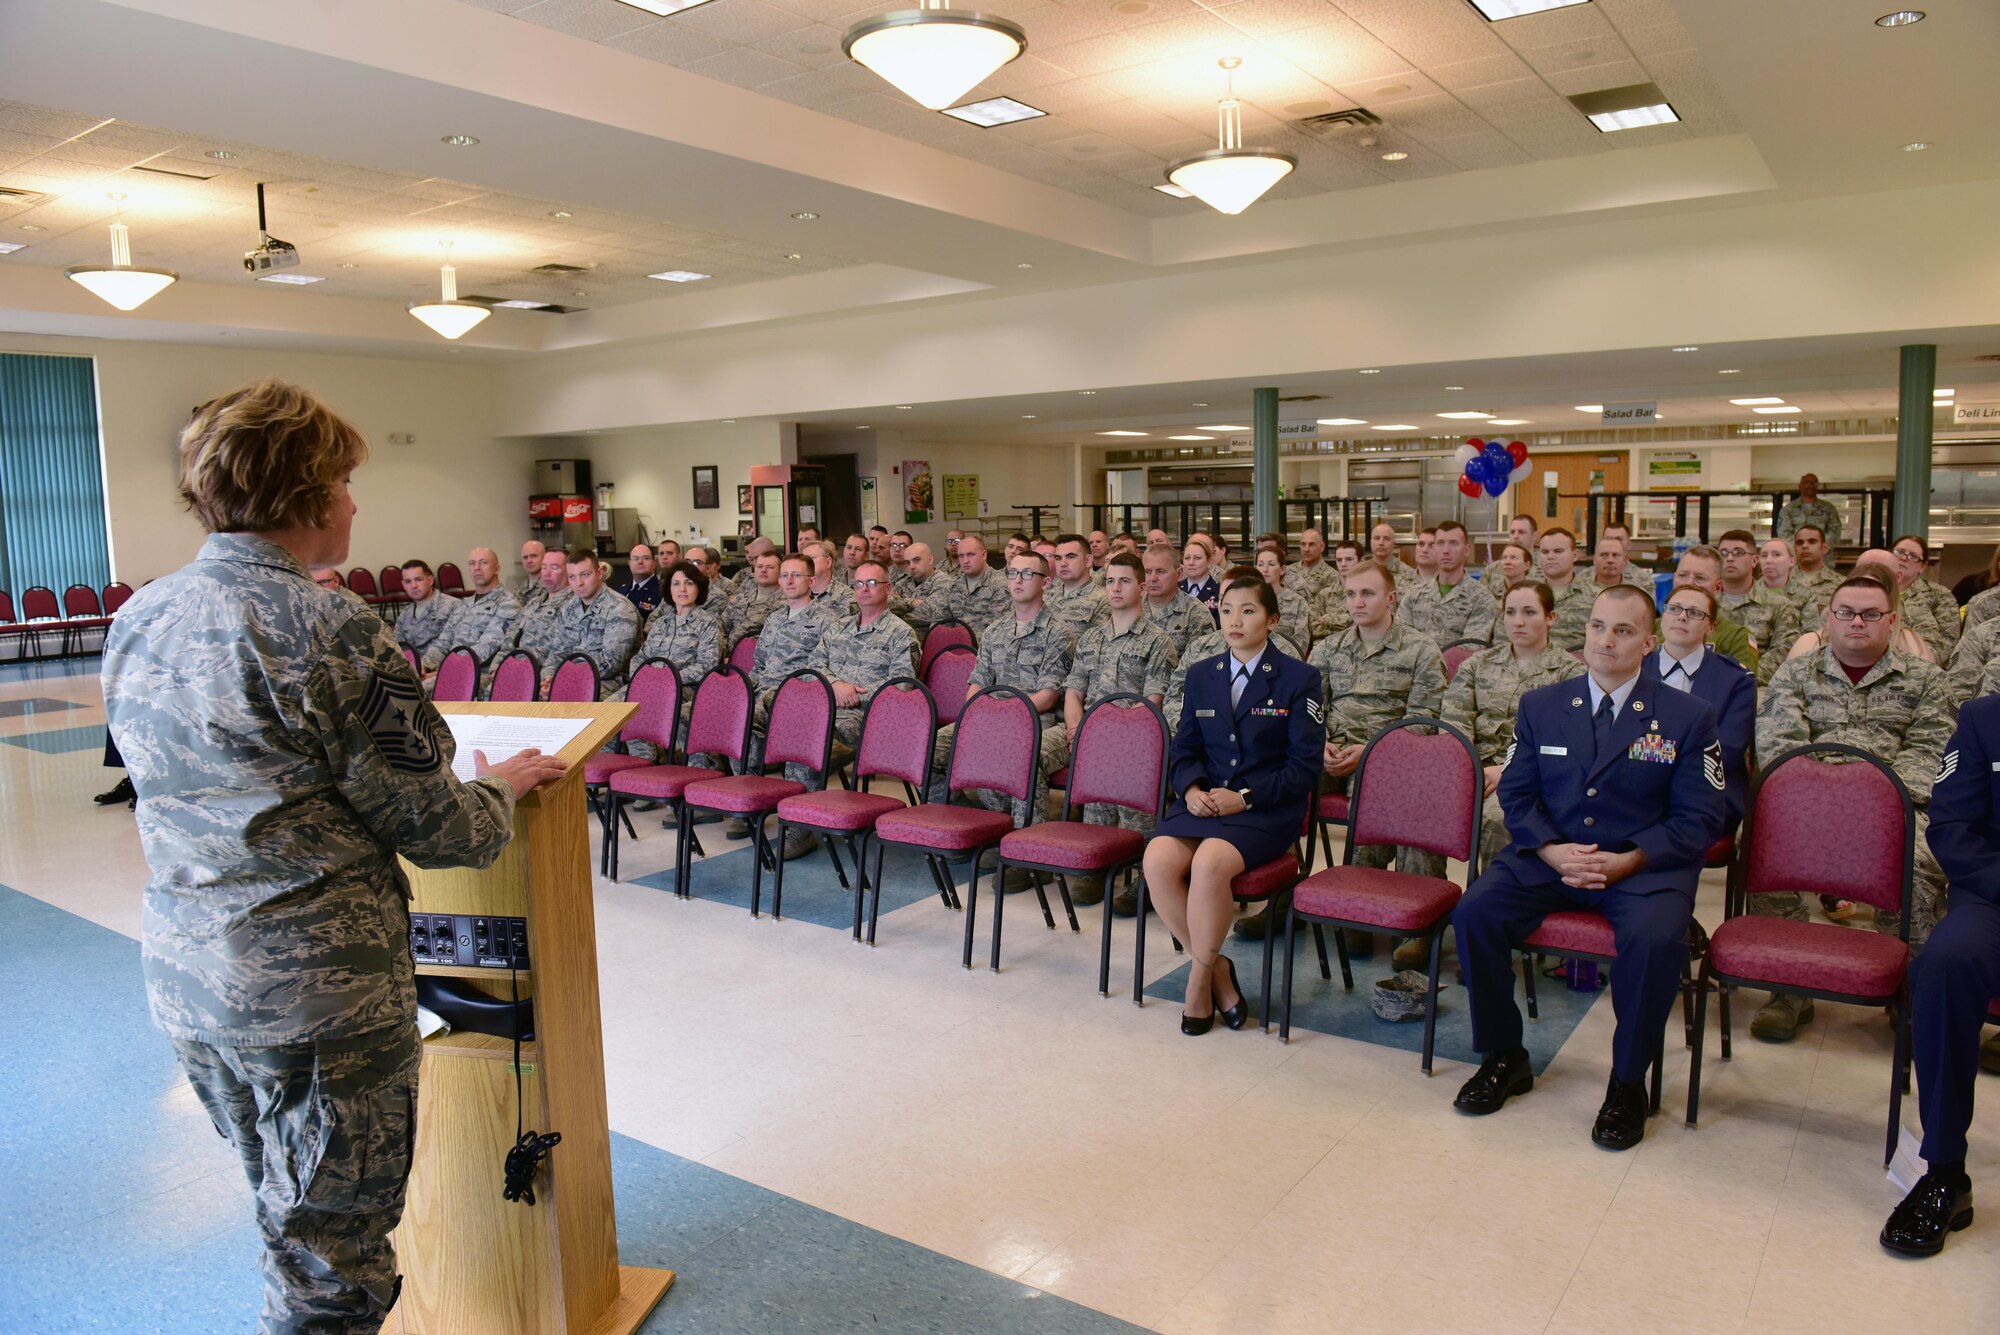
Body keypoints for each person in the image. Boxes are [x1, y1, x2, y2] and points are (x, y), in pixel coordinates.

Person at [101, 379, 568, 1333]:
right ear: (309, 495)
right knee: (335, 1263)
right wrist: (503, 790)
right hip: (322, 1000)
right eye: (347, 482)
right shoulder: (330, 626)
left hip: (196, 980)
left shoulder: (142, 615)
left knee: (290, 1214)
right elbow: (443, 827)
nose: (355, 502)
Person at [1450, 585, 1726, 1149]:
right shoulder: (1543, 705)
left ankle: (1628, 1082)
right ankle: (1505, 1055)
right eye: (1598, 626)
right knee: (1475, 912)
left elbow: (1699, 817)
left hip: (1642, 867)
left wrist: (1631, 860)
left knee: (1654, 944)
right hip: (1552, 857)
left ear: (1649, 641)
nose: (1606, 640)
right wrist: (1551, 850)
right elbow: (1519, 796)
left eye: (1623, 631)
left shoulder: (1689, 717)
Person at [1751, 573, 1955, 1040]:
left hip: (1896, 811)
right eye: (1845, 613)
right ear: (1828, 619)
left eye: (1870, 614)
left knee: (1922, 865)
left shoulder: (1925, 680)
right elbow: (1779, 747)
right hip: (1804, 806)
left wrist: (1871, 812)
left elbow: (1929, 753)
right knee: (1758, 845)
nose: (1856, 622)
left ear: (1892, 621)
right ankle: (1787, 987)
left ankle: (1909, 988)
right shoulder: (1797, 672)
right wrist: (1823, 806)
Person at [1142, 576, 1324, 1035]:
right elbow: (1184, 749)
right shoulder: (1202, 674)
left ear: (1272, 619)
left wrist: (1243, 798)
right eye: (1227, 610)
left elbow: (1304, 768)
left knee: (1208, 864)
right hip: (1204, 801)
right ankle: (1220, 970)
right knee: (1157, 859)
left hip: (1264, 809)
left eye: (1248, 610)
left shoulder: (1299, 678)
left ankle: (1199, 984)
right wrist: (1189, 790)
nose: (1235, 620)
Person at [1237, 558, 1445, 945]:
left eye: (1367, 593)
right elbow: (1308, 708)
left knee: (1388, 788)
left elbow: (1426, 721)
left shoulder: (1421, 650)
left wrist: (1370, 750)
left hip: (1391, 756)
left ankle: (1375, 907)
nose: (1357, 602)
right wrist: (1321, 743)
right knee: (1275, 782)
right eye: (1351, 594)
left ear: (1391, 598)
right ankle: (1283, 893)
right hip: (1327, 751)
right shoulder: (1330, 648)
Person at [1880, 695, 2000, 1257]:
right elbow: (1952, 826)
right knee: (1944, 965)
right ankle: (1944, 1168)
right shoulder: (1985, 719)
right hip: (1994, 898)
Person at [929, 550, 1075, 887]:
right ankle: (983, 826)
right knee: (933, 747)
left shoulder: (1059, 633)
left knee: (1018, 753)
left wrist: (1000, 716)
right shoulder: (995, 629)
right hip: (990, 716)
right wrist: (979, 713)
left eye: (1028, 574)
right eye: (1013, 573)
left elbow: (1049, 695)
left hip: (1036, 720)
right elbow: (977, 681)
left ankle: (1032, 854)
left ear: (1046, 583)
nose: (1018, 581)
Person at [1440, 581, 1584, 885]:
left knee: (1497, 817)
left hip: (1529, 778)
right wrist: (1469, 771)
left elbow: (1563, 744)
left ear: (1550, 618)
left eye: (1529, 612)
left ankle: (1490, 906)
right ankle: (1421, 909)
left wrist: (1509, 771)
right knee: (1420, 801)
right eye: (1510, 612)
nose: (1518, 621)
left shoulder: (1571, 675)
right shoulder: (1476, 665)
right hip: (1471, 768)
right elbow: (1455, 723)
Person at [1062, 551, 1178, 910]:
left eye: (1124, 581)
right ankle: (1097, 867)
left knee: (1136, 813)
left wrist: (1110, 736)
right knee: (1096, 809)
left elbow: (1153, 703)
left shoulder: (1158, 641)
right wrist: (1076, 728)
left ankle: (1147, 878)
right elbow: (1073, 690)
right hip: (1094, 738)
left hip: (1136, 741)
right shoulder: (1092, 638)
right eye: (1110, 580)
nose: (1115, 587)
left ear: (1142, 587)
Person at [733, 553, 833, 852]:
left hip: (799, 699)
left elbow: (823, 669)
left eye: (796, 575)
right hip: (764, 695)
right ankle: (749, 803)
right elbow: (759, 666)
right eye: (785, 575)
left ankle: (800, 826)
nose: (789, 581)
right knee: (738, 719)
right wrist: (743, 694)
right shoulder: (774, 619)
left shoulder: (827, 621)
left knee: (796, 728)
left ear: (812, 581)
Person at [1649, 584, 1755, 833]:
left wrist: (1651, 753)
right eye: (1674, 609)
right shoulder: (1633, 668)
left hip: (1705, 790)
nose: (1682, 617)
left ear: (1712, 626)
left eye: (1695, 613)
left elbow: (1723, 752)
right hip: (1635, 786)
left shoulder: (1736, 680)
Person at [809, 556, 917, 798]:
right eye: (858, 584)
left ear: (888, 588)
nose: (864, 589)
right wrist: (835, 685)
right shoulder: (837, 627)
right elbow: (813, 664)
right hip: (828, 705)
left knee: (813, 735)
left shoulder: (901, 633)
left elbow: (901, 686)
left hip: (869, 716)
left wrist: (852, 694)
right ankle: (800, 817)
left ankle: (804, 827)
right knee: (795, 724)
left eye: (871, 582)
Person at [538, 547, 642, 696]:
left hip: (611, 683)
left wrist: (563, 679)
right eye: (572, 577)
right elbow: (556, 654)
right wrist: (549, 677)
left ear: (599, 573)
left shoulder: (619, 608)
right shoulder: (569, 608)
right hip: (570, 679)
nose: (578, 583)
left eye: (585, 575)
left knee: (568, 697)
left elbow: (610, 665)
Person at [425, 547, 520, 680]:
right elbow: (444, 641)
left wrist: (442, 672)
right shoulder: (464, 604)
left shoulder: (507, 604)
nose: (477, 568)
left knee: (423, 689)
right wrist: (424, 666)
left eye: (483, 563)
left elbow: (486, 648)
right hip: (451, 670)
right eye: (472, 563)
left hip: (479, 675)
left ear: (497, 569)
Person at [1716, 529, 1798, 683]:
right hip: (1709, 682)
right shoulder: (1706, 603)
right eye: (1724, 553)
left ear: (1754, 561)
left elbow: (1783, 651)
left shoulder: (1779, 605)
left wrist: (1743, 678)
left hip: (1757, 684)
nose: (1730, 558)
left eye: (1738, 552)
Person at [637, 559, 723, 697]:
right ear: (669, 589)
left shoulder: (708, 623)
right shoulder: (660, 623)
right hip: (649, 685)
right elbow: (640, 659)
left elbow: (706, 667)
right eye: (676, 584)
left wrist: (668, 679)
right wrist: (641, 679)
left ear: (698, 588)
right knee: (610, 708)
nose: (682, 589)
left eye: (689, 583)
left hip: (684, 690)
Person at [1402, 520, 1494, 647]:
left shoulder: (1481, 597)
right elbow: (1402, 641)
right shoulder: (1414, 595)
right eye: (1440, 543)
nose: (1446, 550)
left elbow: (1470, 650)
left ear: (1466, 550)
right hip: (1416, 666)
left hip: (1458, 666)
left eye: (1454, 543)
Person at [1672, 545, 1758, 675]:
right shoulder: (1654, 628)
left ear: (1718, 587)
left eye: (1700, 578)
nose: (1688, 583)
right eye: (1683, 575)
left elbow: (1740, 688)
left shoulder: (1736, 638)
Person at [915, 532, 1009, 633]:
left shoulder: (1000, 585)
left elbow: (994, 631)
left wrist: (958, 640)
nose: (965, 561)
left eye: (970, 555)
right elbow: (938, 624)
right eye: (961, 556)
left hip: (984, 647)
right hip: (952, 646)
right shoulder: (952, 586)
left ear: (983, 554)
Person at [1890, 534, 1961, 663]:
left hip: (1924, 667)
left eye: (1913, 556)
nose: (1904, 558)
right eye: (1899, 552)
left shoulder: (1940, 595)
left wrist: (1923, 665)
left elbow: (1949, 641)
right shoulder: (1873, 591)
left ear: (1922, 566)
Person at [1141, 542, 1211, 656]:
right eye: (1147, 572)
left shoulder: (1197, 613)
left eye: (1161, 571)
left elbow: (1198, 666)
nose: (1153, 578)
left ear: (1179, 574)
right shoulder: (1129, 608)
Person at [1537, 527, 1595, 653]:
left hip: (1577, 666)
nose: (1551, 556)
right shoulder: (1527, 593)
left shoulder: (1596, 596)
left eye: (1558, 551)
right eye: (1545, 552)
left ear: (1574, 555)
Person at [1047, 532, 1110, 640]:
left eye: (1070, 557)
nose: (1063, 563)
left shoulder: (1103, 599)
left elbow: (1098, 645)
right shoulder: (1046, 596)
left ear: (1088, 560)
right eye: (1058, 558)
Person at [391, 560, 455, 664]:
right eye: (408, 581)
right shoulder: (404, 615)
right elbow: (398, 647)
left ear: (430, 580)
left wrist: (424, 666)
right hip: (413, 670)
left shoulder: (452, 606)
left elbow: (447, 644)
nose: (413, 586)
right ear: (403, 585)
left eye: (418, 579)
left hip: (440, 669)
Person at [1253, 544, 1312, 657]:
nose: (1265, 569)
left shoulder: (1297, 602)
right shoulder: (1249, 599)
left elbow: (1301, 641)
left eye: (1271, 564)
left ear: (1282, 569)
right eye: (1260, 564)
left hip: (1287, 660)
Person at [726, 547, 784, 645]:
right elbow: (722, 626)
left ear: (781, 572)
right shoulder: (742, 597)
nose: (763, 570)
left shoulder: (784, 603)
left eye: (770, 567)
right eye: (759, 566)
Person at [1787, 523, 1842, 621]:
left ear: (1824, 548)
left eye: (1812, 542)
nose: (1805, 546)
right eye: (1800, 543)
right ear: (1795, 549)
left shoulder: (1840, 584)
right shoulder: (1782, 581)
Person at [1777, 472, 1842, 545]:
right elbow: (1784, 534)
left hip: (1823, 554)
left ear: (1818, 486)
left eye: (1814, 483)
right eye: (1806, 482)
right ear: (1800, 486)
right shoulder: (1788, 510)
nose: (1810, 485)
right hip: (1797, 554)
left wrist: (1818, 547)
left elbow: (1835, 533)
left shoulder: (1829, 509)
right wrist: (1801, 547)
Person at [1481, 515, 1541, 586]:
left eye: (1521, 532)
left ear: (1534, 536)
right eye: (1512, 532)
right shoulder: (1493, 569)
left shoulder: (1545, 566)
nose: (1515, 536)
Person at [809, 539, 860, 619]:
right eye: (803, 560)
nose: (806, 563)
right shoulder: (797, 593)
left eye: (811, 558)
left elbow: (853, 627)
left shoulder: (847, 596)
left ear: (828, 562)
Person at [1288, 526, 1337, 603]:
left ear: (1322, 547)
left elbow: (1332, 608)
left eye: (1311, 545)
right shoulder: (1288, 571)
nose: (1306, 549)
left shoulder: (1331, 576)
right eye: (1303, 544)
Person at [1179, 538, 1221, 620]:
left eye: (1197, 558)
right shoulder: (1175, 589)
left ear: (1209, 562)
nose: (1191, 562)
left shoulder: (1219, 591)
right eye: (1187, 558)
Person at [621, 542, 663, 618]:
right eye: (635, 558)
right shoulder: (621, 591)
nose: (640, 562)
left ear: (654, 563)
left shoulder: (663, 592)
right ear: (629, 563)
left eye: (646, 558)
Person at [1370, 522, 1417, 587]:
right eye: (1377, 538)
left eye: (1386, 539)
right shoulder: (1361, 571)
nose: (1381, 543)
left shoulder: (1409, 574)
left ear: (1394, 544)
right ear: (1371, 542)